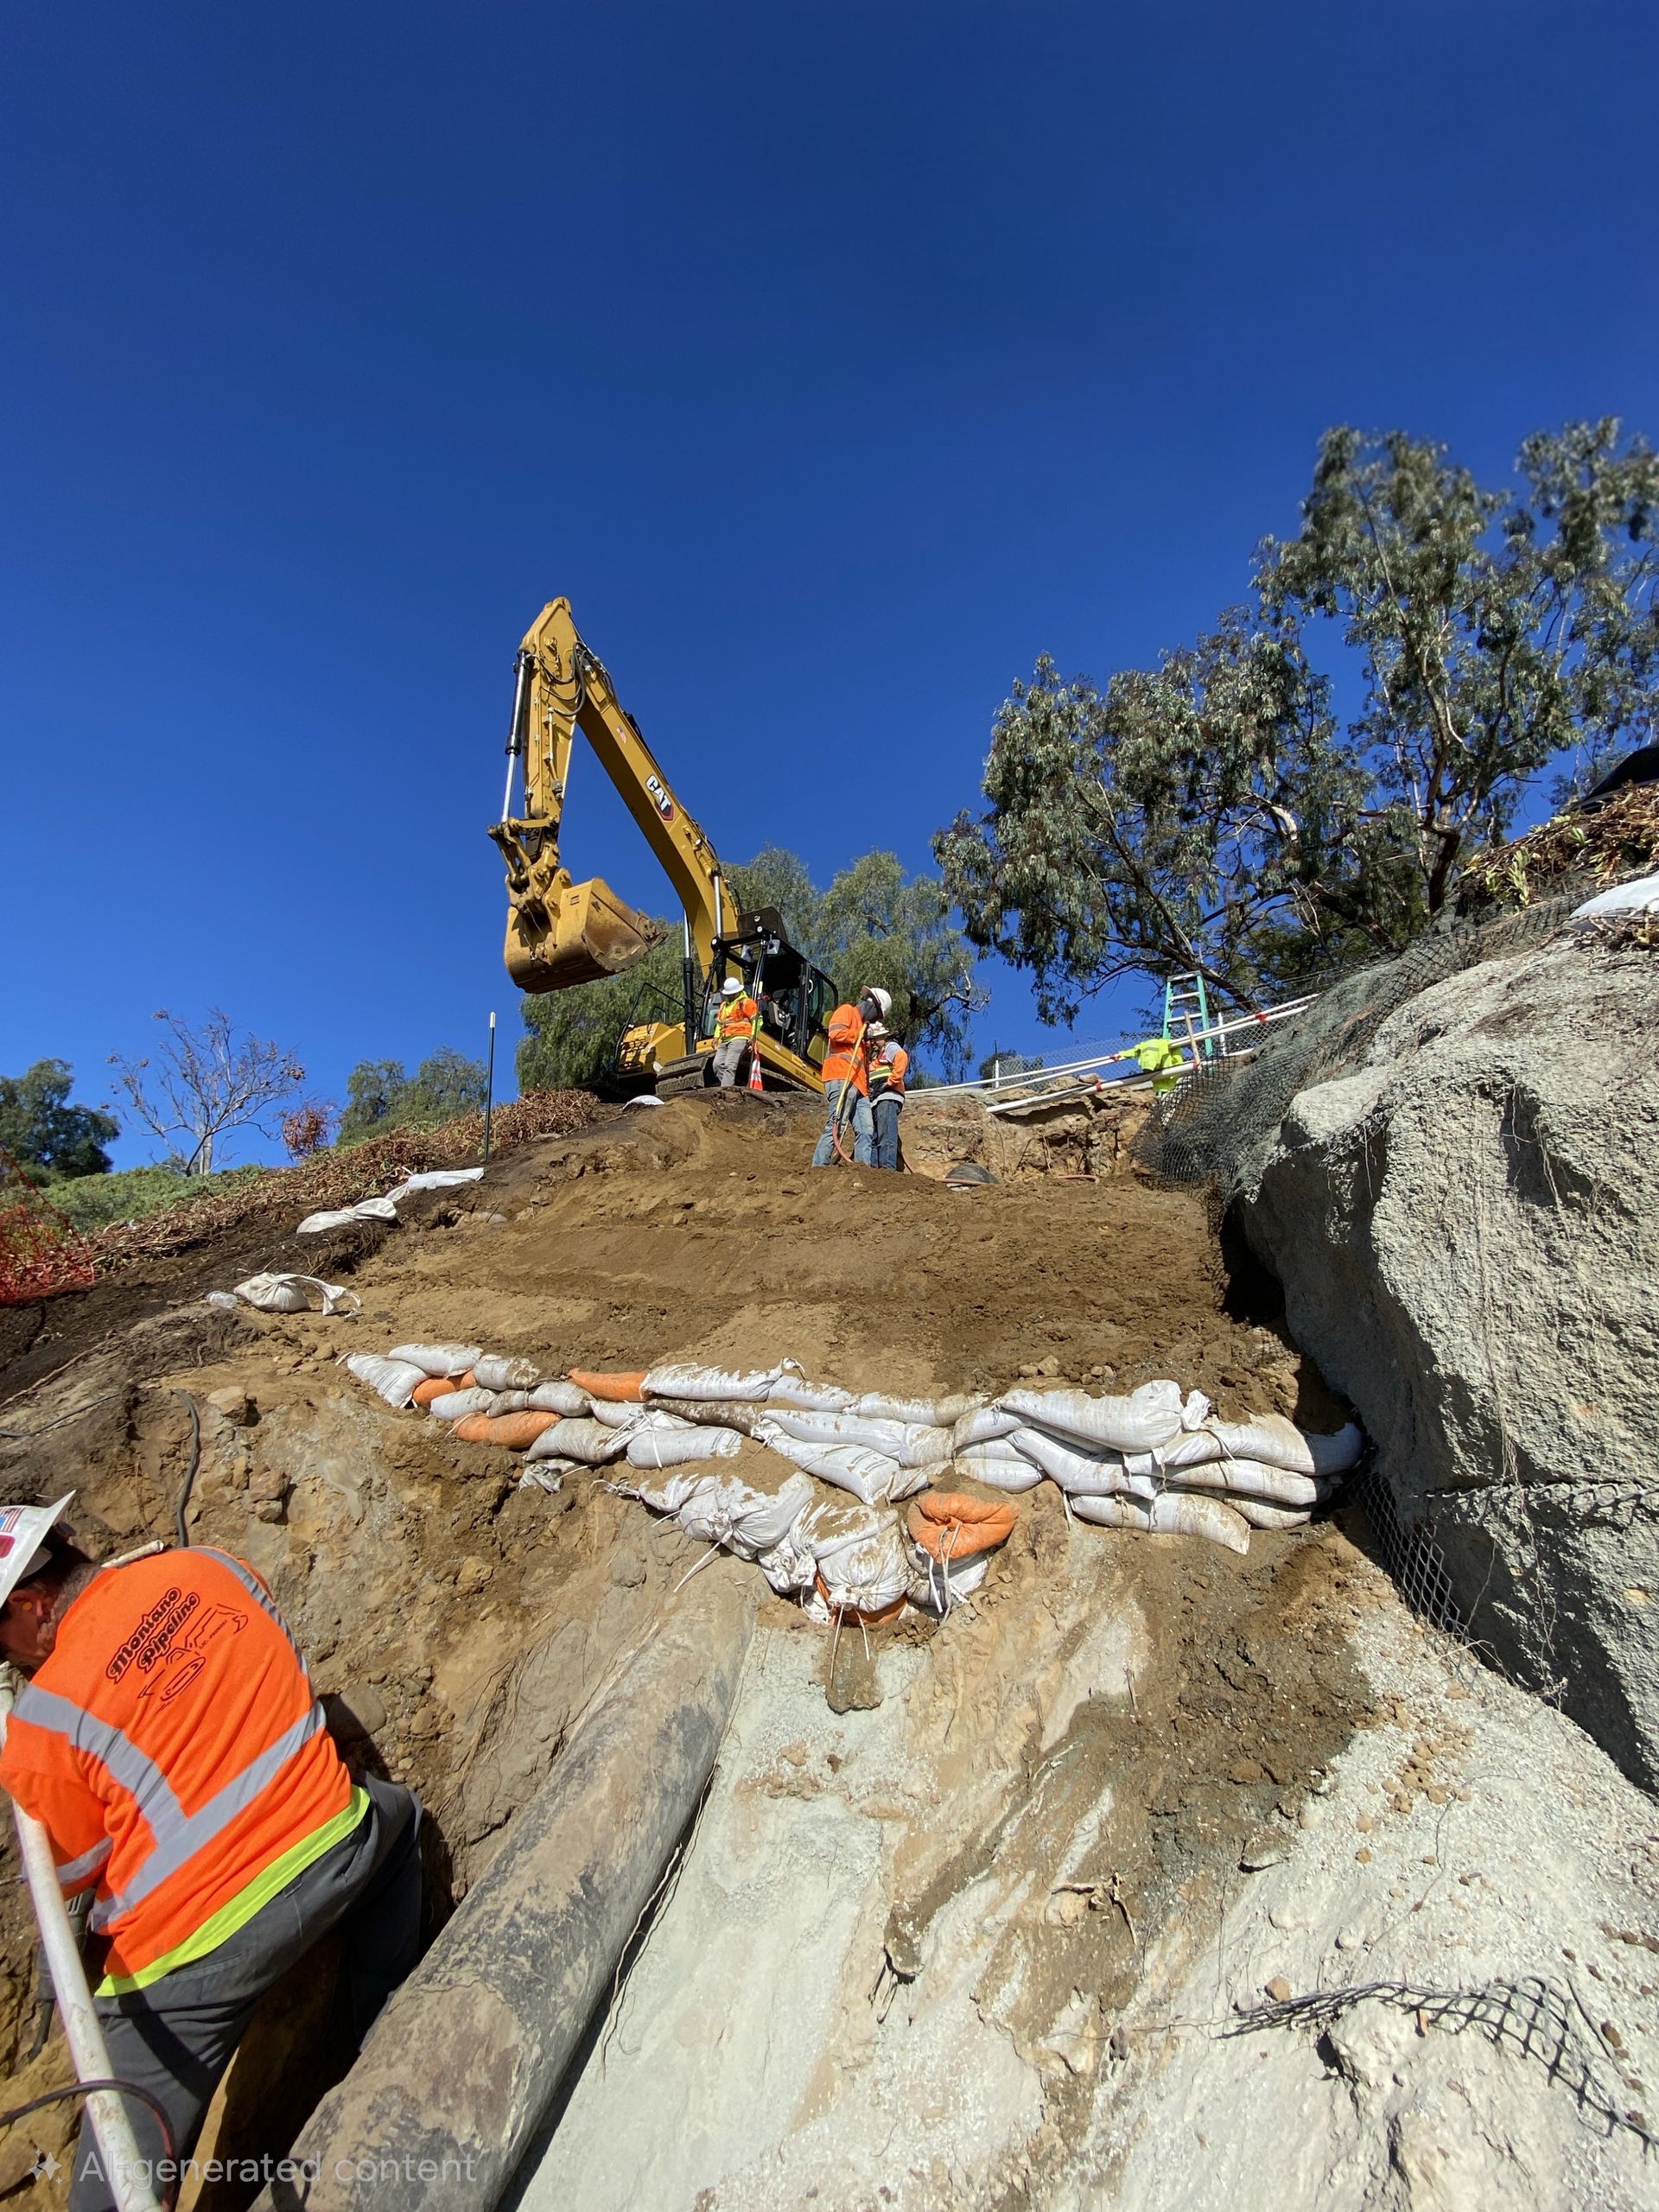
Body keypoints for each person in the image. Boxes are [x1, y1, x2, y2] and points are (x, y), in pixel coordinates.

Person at [0, 1496, 422, 2212]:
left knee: (121, 2170)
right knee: (400, 1816)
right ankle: (386, 2020)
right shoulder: (211, 1567)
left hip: (189, 1960)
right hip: (333, 1848)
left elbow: (74, 1870)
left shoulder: (38, 1728)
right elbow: (286, 1671)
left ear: (37, 1605)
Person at [810, 986, 887, 1167]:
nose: (874, 1021)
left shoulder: (862, 1027)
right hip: (840, 1077)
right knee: (837, 1125)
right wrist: (858, 1035)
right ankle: (818, 1167)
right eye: (876, 1016)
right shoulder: (846, 1011)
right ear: (871, 1005)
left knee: (867, 1130)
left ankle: (862, 1170)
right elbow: (835, 1033)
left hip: (859, 1086)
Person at [866, 1022, 909, 1170]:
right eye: (870, 1040)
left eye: (874, 1039)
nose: (872, 1043)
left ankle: (887, 1170)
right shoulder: (874, 1057)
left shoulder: (890, 1048)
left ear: (882, 1036)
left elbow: (901, 1057)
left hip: (888, 1097)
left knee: (886, 1134)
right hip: (875, 1100)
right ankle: (873, 1170)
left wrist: (891, 1082)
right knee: (873, 1136)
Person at [710, 976, 761, 1088]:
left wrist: (753, 1036)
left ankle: (725, 1090)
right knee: (717, 1065)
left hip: (740, 1038)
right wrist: (716, 1037)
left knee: (730, 1065)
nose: (728, 996)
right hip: (725, 1039)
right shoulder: (724, 1006)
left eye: (730, 994)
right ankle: (730, 1087)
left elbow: (757, 1020)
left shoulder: (746, 1003)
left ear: (736, 992)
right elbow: (720, 1023)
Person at [1134, 1033, 1189, 1098]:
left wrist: (1122, 1054)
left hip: (1160, 1074)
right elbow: (1177, 1060)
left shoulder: (1146, 1046)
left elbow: (1134, 1051)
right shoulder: (1164, 1045)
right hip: (1165, 1074)